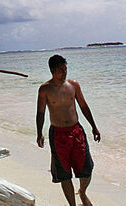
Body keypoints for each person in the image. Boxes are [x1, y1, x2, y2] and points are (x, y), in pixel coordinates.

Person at [36, 54, 101, 206]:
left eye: (65, 69)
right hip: (58, 134)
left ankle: (83, 192)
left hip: (76, 131)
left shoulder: (74, 85)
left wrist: (94, 126)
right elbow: (40, 113)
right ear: (52, 70)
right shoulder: (45, 89)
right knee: (64, 174)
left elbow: (84, 106)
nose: (65, 72)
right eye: (61, 69)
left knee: (86, 168)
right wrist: (39, 133)